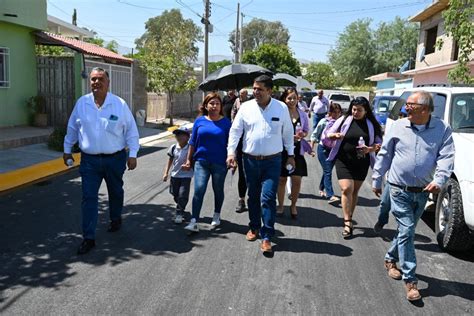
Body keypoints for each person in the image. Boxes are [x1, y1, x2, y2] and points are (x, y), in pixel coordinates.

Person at [372, 91, 454, 301]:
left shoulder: (442, 129)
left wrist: (440, 180)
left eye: (410, 104)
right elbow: (385, 154)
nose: (405, 107)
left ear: (425, 109)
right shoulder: (398, 126)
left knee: (405, 232)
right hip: (399, 188)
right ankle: (411, 280)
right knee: (407, 229)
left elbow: (446, 157)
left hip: (423, 191)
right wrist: (377, 178)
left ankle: (390, 258)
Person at [63, 67, 139, 255]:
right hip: (89, 161)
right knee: (89, 197)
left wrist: (133, 154)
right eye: (93, 79)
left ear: (108, 82)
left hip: (115, 159)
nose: (96, 82)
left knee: (116, 191)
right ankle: (88, 238)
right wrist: (67, 150)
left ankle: (115, 218)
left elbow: (131, 130)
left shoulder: (119, 104)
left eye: (100, 79)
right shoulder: (82, 103)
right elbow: (72, 128)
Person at [227, 75, 295, 254]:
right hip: (249, 160)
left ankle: (267, 236)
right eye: (254, 89)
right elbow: (235, 131)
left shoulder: (281, 108)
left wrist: (291, 155)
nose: (255, 92)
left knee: (268, 198)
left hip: (273, 161)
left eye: (259, 89)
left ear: (269, 91)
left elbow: (288, 133)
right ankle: (254, 227)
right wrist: (231, 152)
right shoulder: (246, 107)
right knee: (253, 197)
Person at [325, 97, 382, 238]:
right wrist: (334, 135)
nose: (355, 112)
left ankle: (349, 214)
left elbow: (379, 144)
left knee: (354, 192)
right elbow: (328, 133)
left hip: (361, 162)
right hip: (343, 160)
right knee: (346, 189)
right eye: (354, 109)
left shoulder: (372, 125)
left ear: (366, 110)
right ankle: (347, 222)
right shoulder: (344, 120)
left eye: (359, 110)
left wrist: (370, 149)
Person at [183, 93, 232, 232]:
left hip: (220, 163)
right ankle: (194, 220)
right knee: (199, 190)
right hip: (201, 161)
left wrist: (232, 158)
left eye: (217, 103)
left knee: (218, 189)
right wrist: (188, 160)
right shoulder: (199, 121)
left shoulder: (227, 123)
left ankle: (216, 214)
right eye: (211, 103)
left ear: (221, 106)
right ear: (206, 105)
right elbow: (192, 143)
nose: (214, 106)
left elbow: (231, 143)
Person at [276, 88, 311, 219]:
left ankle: (293, 205)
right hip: (282, 150)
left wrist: (302, 134)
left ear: (298, 99)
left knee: (297, 180)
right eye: (289, 98)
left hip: (298, 150)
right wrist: (287, 137)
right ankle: (280, 205)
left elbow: (306, 130)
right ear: (284, 99)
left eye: (294, 98)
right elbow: (275, 131)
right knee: (281, 179)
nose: (292, 101)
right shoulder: (280, 113)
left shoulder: (302, 114)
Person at [310, 102, 343, 204]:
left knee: (327, 170)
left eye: (338, 112)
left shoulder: (341, 123)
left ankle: (321, 188)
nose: (336, 114)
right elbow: (314, 135)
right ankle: (330, 195)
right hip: (323, 149)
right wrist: (311, 148)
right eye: (334, 112)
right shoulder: (324, 121)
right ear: (330, 112)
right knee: (328, 170)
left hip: (333, 150)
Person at [162, 127, 193, 225]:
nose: (179, 136)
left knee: (182, 194)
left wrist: (190, 165)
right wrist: (166, 172)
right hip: (175, 175)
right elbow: (170, 160)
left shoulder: (190, 148)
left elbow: (194, 161)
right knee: (174, 193)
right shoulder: (173, 147)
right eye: (177, 134)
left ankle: (179, 213)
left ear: (188, 137)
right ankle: (180, 205)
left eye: (182, 134)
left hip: (186, 176)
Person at [231, 88, 250, 213]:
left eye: (245, 93)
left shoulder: (252, 104)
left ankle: (254, 199)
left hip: (253, 145)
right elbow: (232, 118)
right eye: (241, 93)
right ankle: (241, 199)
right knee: (242, 175)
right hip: (240, 144)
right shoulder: (236, 103)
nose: (242, 95)